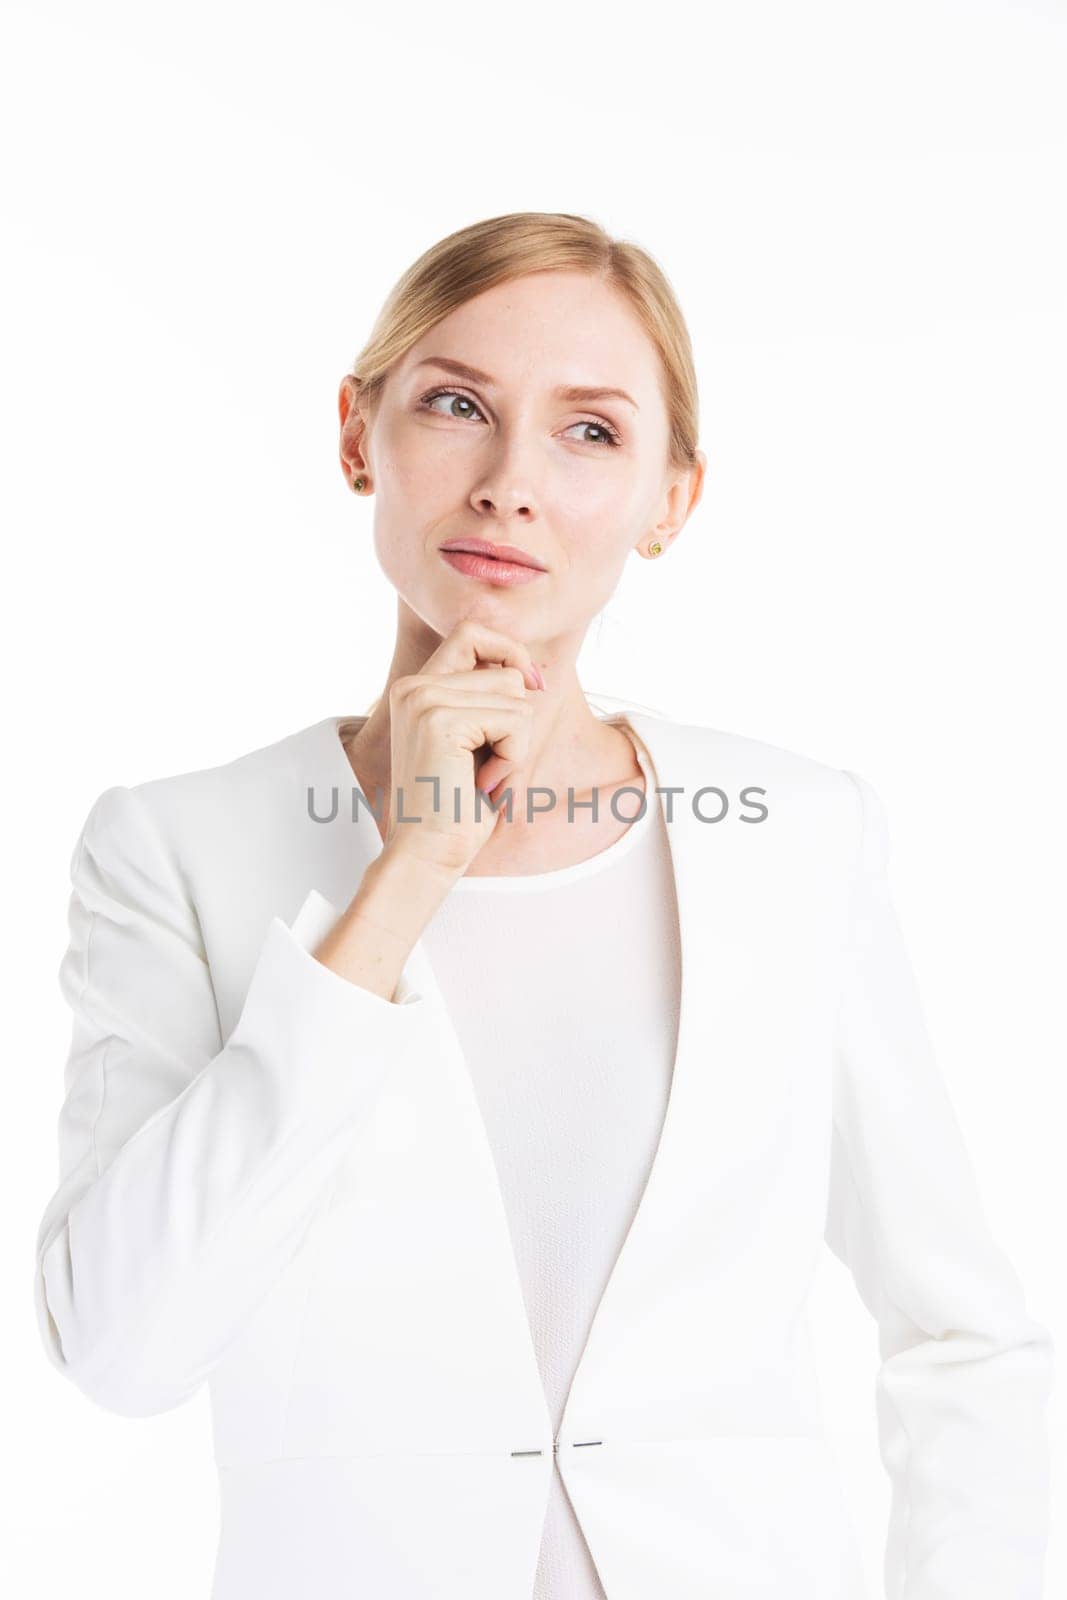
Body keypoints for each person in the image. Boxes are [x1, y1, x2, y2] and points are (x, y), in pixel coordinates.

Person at [34, 211, 1053, 1599]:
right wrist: (407, 876)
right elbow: (121, 1348)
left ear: (670, 500)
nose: (511, 483)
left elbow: (962, 1333)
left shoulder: (801, 835)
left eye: (590, 433)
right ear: (356, 434)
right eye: (457, 405)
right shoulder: (175, 848)